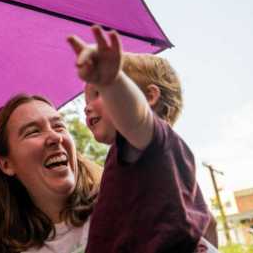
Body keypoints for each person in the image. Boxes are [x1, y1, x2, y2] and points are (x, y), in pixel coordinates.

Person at [67, 26, 217, 252]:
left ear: (149, 97)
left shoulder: (153, 141)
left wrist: (112, 81)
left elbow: (136, 118)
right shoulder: (129, 155)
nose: (87, 108)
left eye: (98, 93)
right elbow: (210, 223)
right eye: (87, 99)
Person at [0, 94, 103, 253]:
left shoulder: (114, 204)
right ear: (6, 164)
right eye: (33, 132)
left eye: (59, 126)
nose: (55, 137)